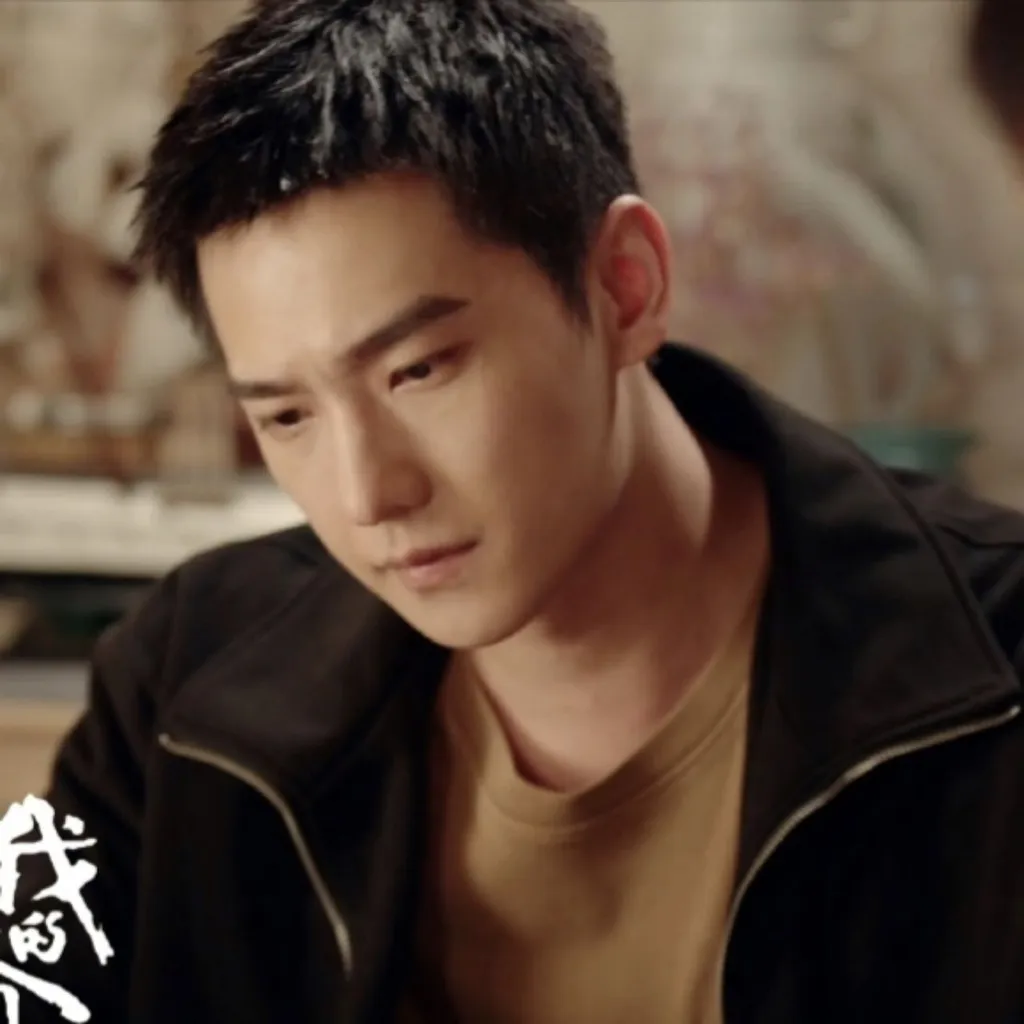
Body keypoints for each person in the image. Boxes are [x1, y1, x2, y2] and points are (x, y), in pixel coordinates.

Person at [7, 0, 1024, 1021]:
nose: (367, 494)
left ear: (625, 286)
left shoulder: (995, 674)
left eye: (419, 369)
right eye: (286, 415)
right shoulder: (183, 685)